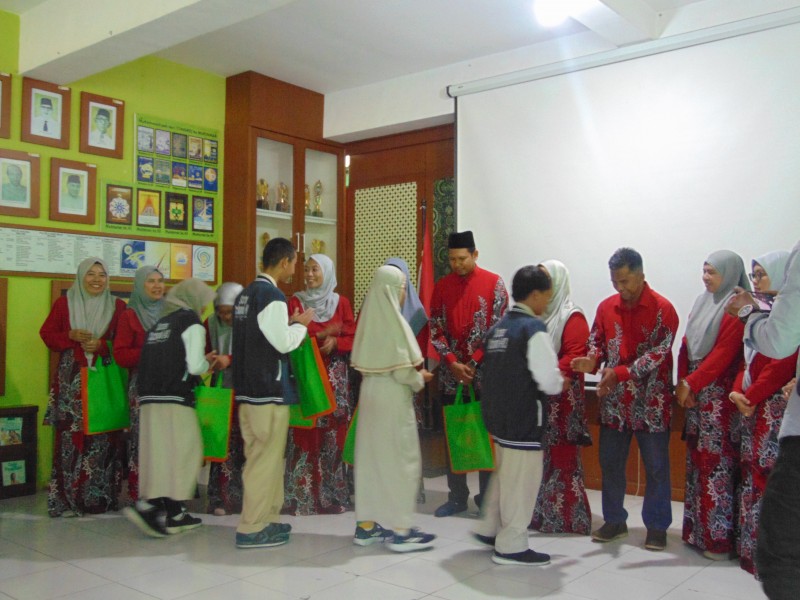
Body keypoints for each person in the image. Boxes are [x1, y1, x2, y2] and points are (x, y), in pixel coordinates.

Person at [572, 247, 679, 551]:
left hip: (651, 401)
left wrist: (619, 372)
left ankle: (656, 527)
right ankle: (614, 520)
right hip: (614, 402)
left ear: (641, 275)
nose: (620, 288)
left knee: (656, 467)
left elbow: (657, 355)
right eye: (615, 282)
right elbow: (596, 342)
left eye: (625, 281)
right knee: (610, 462)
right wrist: (591, 360)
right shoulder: (606, 307)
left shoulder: (663, 309)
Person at [472, 265, 563, 566]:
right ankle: (511, 546)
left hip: (497, 417)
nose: (547, 302)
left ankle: (489, 528)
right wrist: (560, 382)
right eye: (546, 296)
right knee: (521, 482)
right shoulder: (532, 328)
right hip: (523, 418)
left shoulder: (499, 327)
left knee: (505, 477)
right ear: (535, 295)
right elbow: (547, 380)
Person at [726, 240, 800, 600]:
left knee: (782, 543)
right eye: (752, 274)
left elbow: (780, 352)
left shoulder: (774, 310)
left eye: (762, 274)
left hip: (773, 411)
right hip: (753, 408)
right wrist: (741, 391)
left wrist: (748, 314)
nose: (756, 280)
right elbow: (747, 362)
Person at [232, 238, 313, 548]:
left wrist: (288, 324)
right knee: (263, 462)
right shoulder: (273, 295)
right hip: (267, 393)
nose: (295, 269)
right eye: (294, 263)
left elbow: (259, 337)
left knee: (262, 459)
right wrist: (301, 326)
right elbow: (282, 343)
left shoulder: (245, 294)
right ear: (284, 262)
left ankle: (267, 519)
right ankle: (251, 527)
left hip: (247, 393)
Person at [351, 265, 435, 552]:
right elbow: (401, 371)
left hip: (369, 395)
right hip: (392, 397)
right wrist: (419, 379)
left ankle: (365, 526)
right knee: (401, 460)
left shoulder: (369, 319)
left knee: (370, 461)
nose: (403, 295)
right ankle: (402, 530)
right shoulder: (393, 322)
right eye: (402, 289)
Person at [124, 278, 216, 538]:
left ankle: (175, 513)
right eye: (203, 303)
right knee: (187, 452)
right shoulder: (191, 322)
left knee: (161, 454)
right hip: (175, 397)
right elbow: (195, 366)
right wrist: (207, 363)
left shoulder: (161, 323)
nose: (204, 309)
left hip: (149, 398)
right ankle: (149, 506)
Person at [429, 230, 509, 517]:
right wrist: (452, 362)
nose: (457, 264)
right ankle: (457, 497)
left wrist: (474, 363)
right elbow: (436, 329)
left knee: (486, 435)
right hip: (452, 376)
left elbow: (499, 328)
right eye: (452, 259)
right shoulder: (442, 286)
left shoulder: (495, 284)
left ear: (475, 254)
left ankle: (486, 498)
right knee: (455, 434)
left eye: (462, 258)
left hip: (486, 375)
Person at [40, 257, 127, 516]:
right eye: (91, 274)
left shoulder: (118, 307)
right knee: (70, 440)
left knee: (103, 440)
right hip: (72, 385)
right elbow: (47, 335)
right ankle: (66, 501)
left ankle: (99, 500)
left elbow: (123, 344)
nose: (97, 280)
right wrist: (69, 335)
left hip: (103, 383)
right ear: (80, 277)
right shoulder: (64, 304)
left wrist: (102, 346)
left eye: (102, 275)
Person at [677, 250, 748, 560]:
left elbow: (723, 355)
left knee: (717, 465)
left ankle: (719, 541)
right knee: (698, 462)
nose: (706, 277)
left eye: (713, 272)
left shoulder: (736, 305)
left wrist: (691, 383)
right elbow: (686, 344)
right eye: (704, 271)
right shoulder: (702, 301)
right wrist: (682, 381)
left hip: (719, 400)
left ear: (729, 274)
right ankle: (697, 533)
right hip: (696, 395)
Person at [284, 254, 355, 515]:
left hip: (334, 381)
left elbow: (352, 336)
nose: (309, 275)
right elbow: (291, 335)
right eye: (306, 269)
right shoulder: (296, 301)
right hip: (307, 378)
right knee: (305, 434)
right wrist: (323, 334)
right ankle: (301, 497)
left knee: (333, 438)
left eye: (315, 269)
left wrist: (336, 342)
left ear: (327, 272)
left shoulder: (341, 303)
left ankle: (332, 497)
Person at [531, 260, 592, 535]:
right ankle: (541, 515)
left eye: (547, 279)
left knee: (561, 457)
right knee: (541, 459)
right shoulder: (536, 314)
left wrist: (545, 373)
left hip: (563, 400)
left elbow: (574, 356)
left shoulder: (571, 315)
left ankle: (566, 518)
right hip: (539, 396)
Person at [113, 265, 165, 503]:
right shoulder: (129, 315)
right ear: (139, 285)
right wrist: (150, 351)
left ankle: (166, 495)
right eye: (151, 281)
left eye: (160, 281)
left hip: (168, 385)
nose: (157, 286)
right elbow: (121, 355)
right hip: (143, 386)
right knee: (144, 440)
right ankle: (144, 495)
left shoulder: (170, 313)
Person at [205, 282, 245, 516]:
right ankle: (218, 497)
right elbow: (203, 350)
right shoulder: (210, 323)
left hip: (242, 390)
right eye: (221, 312)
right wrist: (209, 358)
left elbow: (253, 353)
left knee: (240, 444)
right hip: (220, 389)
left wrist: (230, 359)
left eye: (230, 312)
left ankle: (238, 498)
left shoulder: (248, 323)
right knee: (220, 442)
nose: (225, 317)